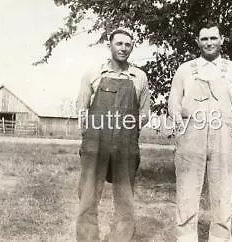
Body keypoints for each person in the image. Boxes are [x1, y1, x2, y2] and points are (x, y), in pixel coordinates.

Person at [168, 21, 232, 242]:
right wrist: (184, 124)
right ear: (197, 42)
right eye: (204, 39)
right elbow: (173, 105)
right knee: (186, 191)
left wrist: (225, 120)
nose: (209, 43)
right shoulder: (185, 69)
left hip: (223, 135)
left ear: (222, 40)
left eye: (213, 38)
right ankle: (186, 238)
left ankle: (220, 238)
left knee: (223, 192)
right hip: (190, 136)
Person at [75, 29, 150, 242]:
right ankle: (87, 238)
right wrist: (91, 136)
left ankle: (120, 238)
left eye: (128, 44)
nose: (123, 48)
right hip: (95, 143)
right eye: (119, 43)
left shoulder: (139, 77)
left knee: (125, 199)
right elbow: (81, 109)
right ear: (110, 45)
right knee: (88, 196)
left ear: (132, 47)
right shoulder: (94, 73)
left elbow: (144, 114)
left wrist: (127, 131)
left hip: (126, 145)